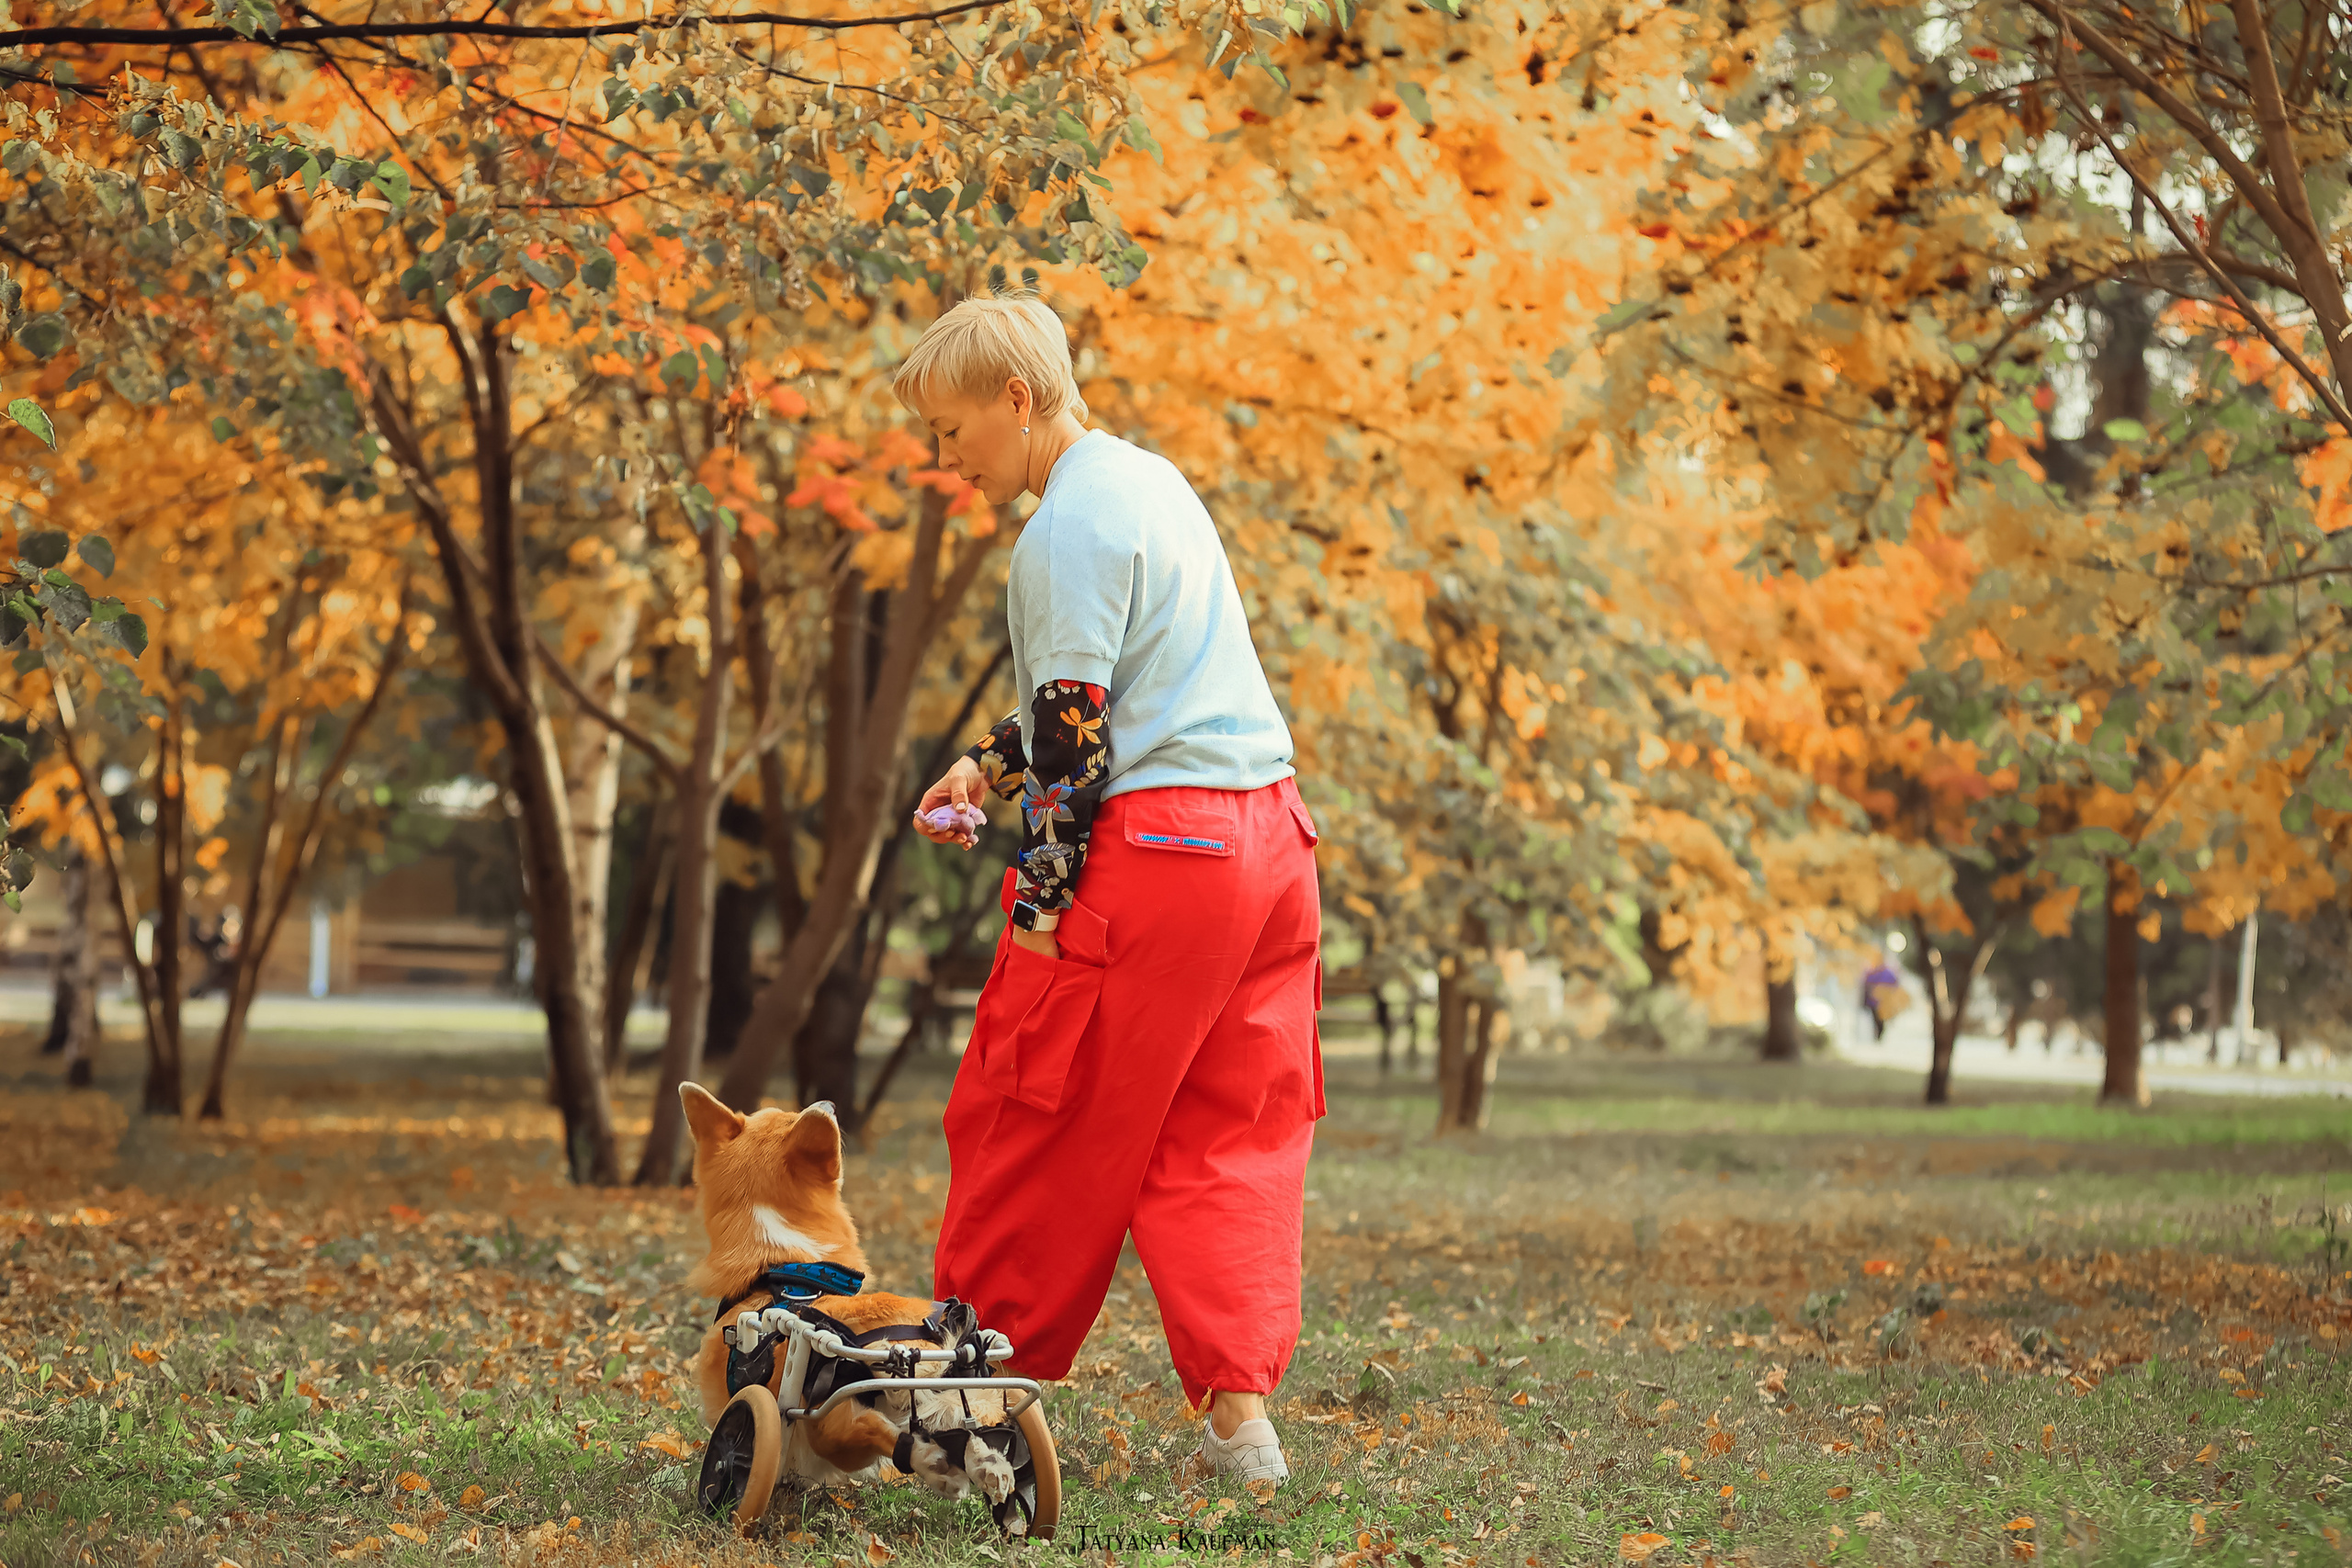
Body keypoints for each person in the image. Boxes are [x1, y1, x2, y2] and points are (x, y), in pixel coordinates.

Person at [899, 291, 1323, 1487]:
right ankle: (1242, 1434)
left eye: (953, 428)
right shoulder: (1149, 481)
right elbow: (1087, 710)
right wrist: (982, 764)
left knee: (1028, 1105)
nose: (947, 457)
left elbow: (1076, 746)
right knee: (1222, 1133)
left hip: (1164, 857)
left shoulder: (1065, 531)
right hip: (1269, 845)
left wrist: (1039, 917)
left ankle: (969, 1406)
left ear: (1017, 401)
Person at [1860, 951, 1901, 1041]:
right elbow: (1866, 986)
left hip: (1882, 1002)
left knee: (1879, 1018)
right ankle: (1878, 1033)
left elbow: (1894, 984)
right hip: (1874, 1001)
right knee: (1876, 1019)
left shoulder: (1884, 972)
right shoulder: (1872, 972)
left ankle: (1879, 1033)